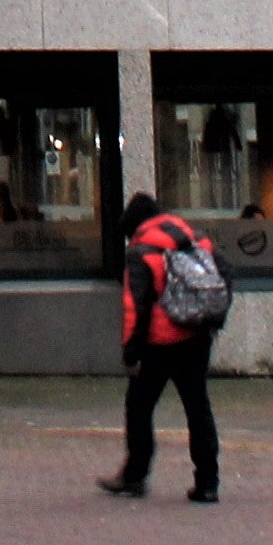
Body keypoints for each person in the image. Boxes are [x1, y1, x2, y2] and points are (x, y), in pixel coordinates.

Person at [99, 183, 219, 501]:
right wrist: (212, 322)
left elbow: (135, 307)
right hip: (196, 337)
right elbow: (224, 277)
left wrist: (131, 352)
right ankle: (208, 483)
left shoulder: (140, 252)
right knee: (198, 409)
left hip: (159, 343)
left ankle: (135, 476)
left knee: (139, 407)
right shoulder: (197, 239)